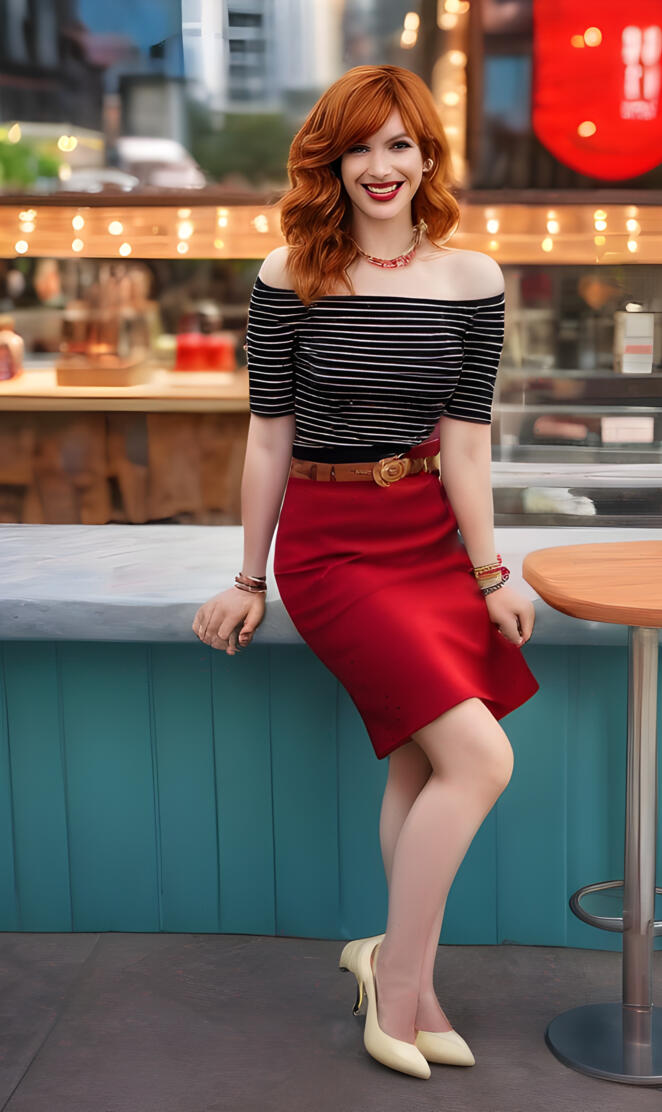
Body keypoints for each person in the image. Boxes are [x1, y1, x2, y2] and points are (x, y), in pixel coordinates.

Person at [192, 64, 540, 1081]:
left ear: (426, 156)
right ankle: (395, 978)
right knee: (479, 759)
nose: (379, 166)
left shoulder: (473, 278)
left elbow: (467, 445)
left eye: (399, 144)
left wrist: (489, 574)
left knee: (425, 760)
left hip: (429, 534)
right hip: (334, 544)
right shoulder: (285, 272)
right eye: (359, 146)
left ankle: (408, 979)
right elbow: (265, 438)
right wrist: (248, 578)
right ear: (330, 161)